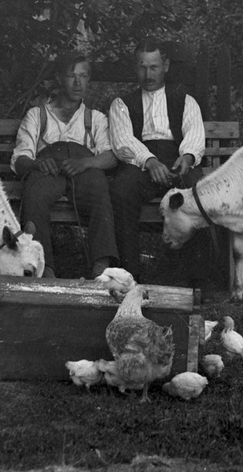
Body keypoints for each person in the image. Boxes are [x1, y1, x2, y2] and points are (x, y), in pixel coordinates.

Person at [108, 39, 220, 293]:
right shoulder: (122, 104)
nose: (148, 75)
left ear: (166, 66)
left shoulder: (185, 99)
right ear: (135, 68)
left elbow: (194, 132)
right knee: (121, 192)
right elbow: (123, 140)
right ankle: (130, 276)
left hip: (178, 158)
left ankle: (199, 279)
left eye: (154, 67)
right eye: (142, 67)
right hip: (141, 162)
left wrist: (189, 157)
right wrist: (149, 161)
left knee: (199, 193)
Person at [12, 52, 118, 278]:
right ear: (60, 79)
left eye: (83, 76)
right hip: (48, 169)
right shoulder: (38, 115)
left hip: (83, 169)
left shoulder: (95, 119)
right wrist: (37, 164)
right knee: (35, 193)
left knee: (100, 189)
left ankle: (102, 268)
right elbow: (20, 159)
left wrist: (85, 163)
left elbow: (110, 157)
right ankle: (43, 268)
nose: (78, 83)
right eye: (71, 76)